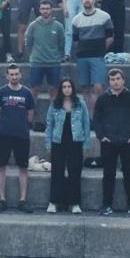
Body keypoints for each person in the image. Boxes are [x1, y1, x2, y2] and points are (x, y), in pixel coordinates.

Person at [92, 69, 130, 217]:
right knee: (108, 174)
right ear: (109, 82)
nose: (116, 81)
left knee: (129, 174)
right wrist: (102, 137)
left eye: (118, 78)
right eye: (112, 79)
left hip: (128, 142)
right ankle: (106, 204)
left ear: (123, 80)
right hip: (108, 142)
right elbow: (97, 120)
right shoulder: (102, 99)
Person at [0, 65, 35, 212]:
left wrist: (24, 126)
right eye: (11, 74)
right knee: (1, 166)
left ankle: (23, 200)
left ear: (20, 75)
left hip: (22, 135)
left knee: (23, 168)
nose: (14, 77)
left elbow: (30, 113)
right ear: (7, 76)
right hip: (4, 134)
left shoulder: (27, 93)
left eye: (16, 74)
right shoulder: (0, 92)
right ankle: (2, 199)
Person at [43, 78, 89, 214]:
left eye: (69, 86)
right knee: (57, 172)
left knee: (75, 172)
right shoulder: (55, 104)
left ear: (73, 88)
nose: (67, 89)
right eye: (64, 87)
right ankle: (54, 202)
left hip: (75, 141)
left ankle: (75, 203)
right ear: (61, 89)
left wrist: (86, 144)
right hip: (58, 142)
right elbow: (49, 124)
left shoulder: (80, 104)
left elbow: (86, 124)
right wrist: (48, 143)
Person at [71, 0, 114, 107]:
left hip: (97, 56)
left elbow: (110, 37)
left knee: (99, 87)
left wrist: (100, 49)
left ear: (94, 0)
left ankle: (100, 114)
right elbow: (75, 40)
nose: (87, 0)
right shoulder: (76, 20)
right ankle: (89, 118)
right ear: (81, 1)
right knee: (85, 89)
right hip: (82, 57)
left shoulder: (104, 16)